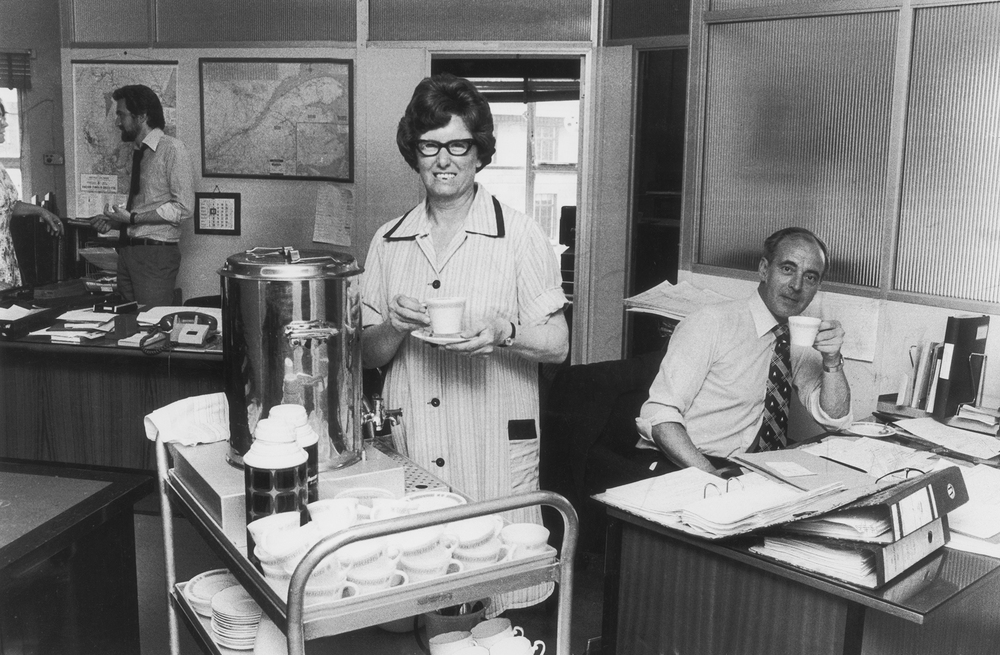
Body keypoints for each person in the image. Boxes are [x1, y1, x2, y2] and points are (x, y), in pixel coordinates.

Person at [360, 73, 569, 609]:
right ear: (415, 152)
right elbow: (366, 353)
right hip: (416, 438)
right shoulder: (389, 240)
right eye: (430, 146)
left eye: (459, 145)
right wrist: (395, 328)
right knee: (428, 587)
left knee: (501, 587)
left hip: (494, 440)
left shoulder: (520, 235)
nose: (444, 160)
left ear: (480, 153)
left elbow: (559, 344)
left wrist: (506, 333)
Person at [635, 227, 853, 476]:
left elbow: (834, 420)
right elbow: (659, 414)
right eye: (787, 269)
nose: (796, 285)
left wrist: (832, 360)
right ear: (764, 269)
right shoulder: (712, 322)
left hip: (744, 467)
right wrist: (710, 475)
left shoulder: (797, 336)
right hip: (683, 463)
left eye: (810, 277)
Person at [90, 84, 193, 306]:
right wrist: (117, 223)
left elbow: (184, 208)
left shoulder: (172, 149)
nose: (117, 122)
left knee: (150, 325)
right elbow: (145, 205)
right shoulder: (139, 153)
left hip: (154, 255)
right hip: (129, 252)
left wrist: (133, 219)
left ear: (142, 116)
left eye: (121, 114)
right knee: (128, 324)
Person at [0, 99, 64, 290]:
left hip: (5, 258)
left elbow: (7, 206)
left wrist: (41, 212)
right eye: (0, 117)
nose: (5, 123)